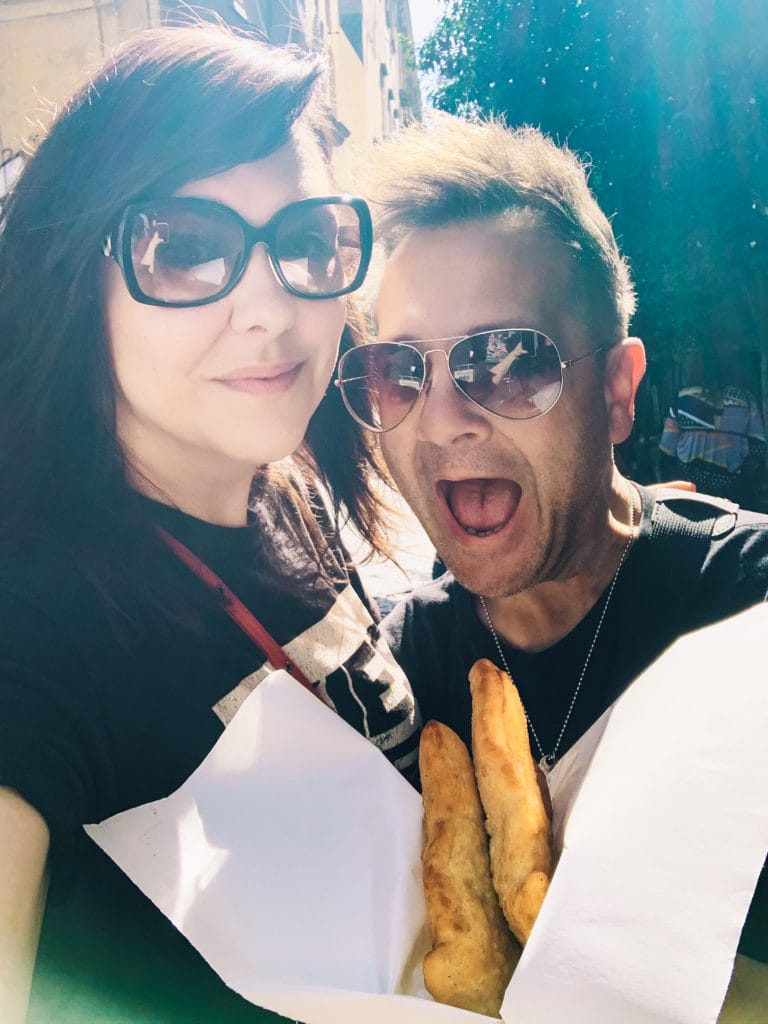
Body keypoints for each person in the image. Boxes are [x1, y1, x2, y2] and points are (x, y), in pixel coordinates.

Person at [0, 25, 420, 1024]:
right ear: (74, 274)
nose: (271, 309)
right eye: (187, 250)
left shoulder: (295, 495)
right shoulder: (36, 624)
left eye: (307, 241)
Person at [335, 115, 768, 1011]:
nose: (446, 416)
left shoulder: (746, 608)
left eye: (506, 360)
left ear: (617, 391)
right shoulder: (386, 687)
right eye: (398, 371)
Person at [659, 382, 767, 506]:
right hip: (732, 492)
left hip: (690, 490)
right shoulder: (746, 399)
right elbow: (758, 448)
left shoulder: (683, 397)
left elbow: (667, 448)